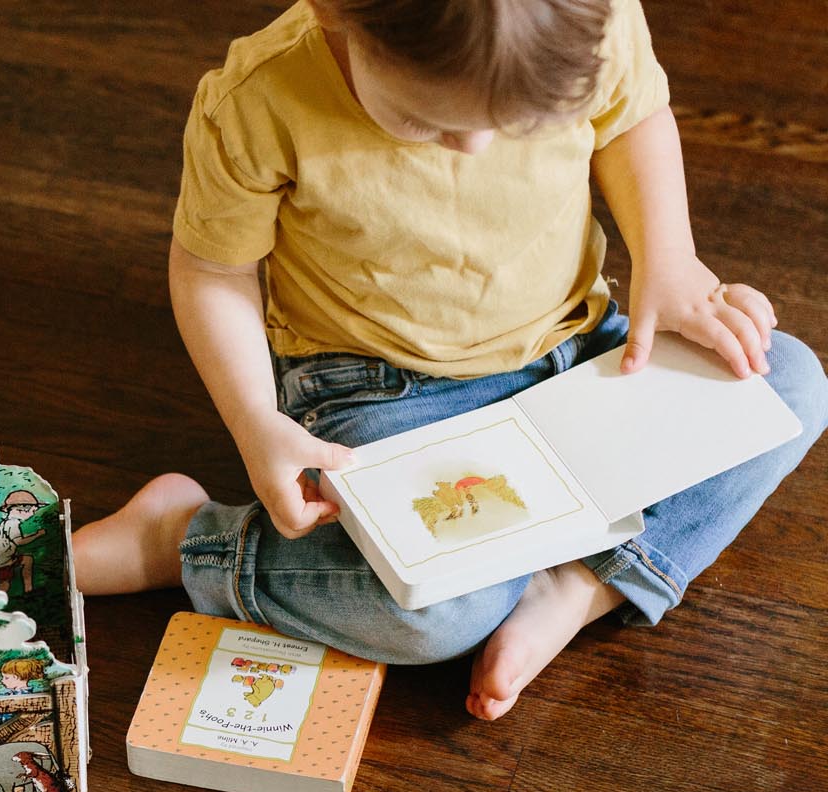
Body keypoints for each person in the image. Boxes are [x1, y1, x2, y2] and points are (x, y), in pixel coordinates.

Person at [73, 0, 828, 719]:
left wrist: (670, 257)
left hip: (579, 353)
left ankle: (574, 585)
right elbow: (212, 273)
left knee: (788, 385)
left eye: (521, 124)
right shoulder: (259, 99)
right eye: (424, 123)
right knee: (433, 616)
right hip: (384, 392)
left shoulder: (590, 20)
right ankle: (184, 539)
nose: (475, 146)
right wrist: (251, 419)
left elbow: (633, 118)